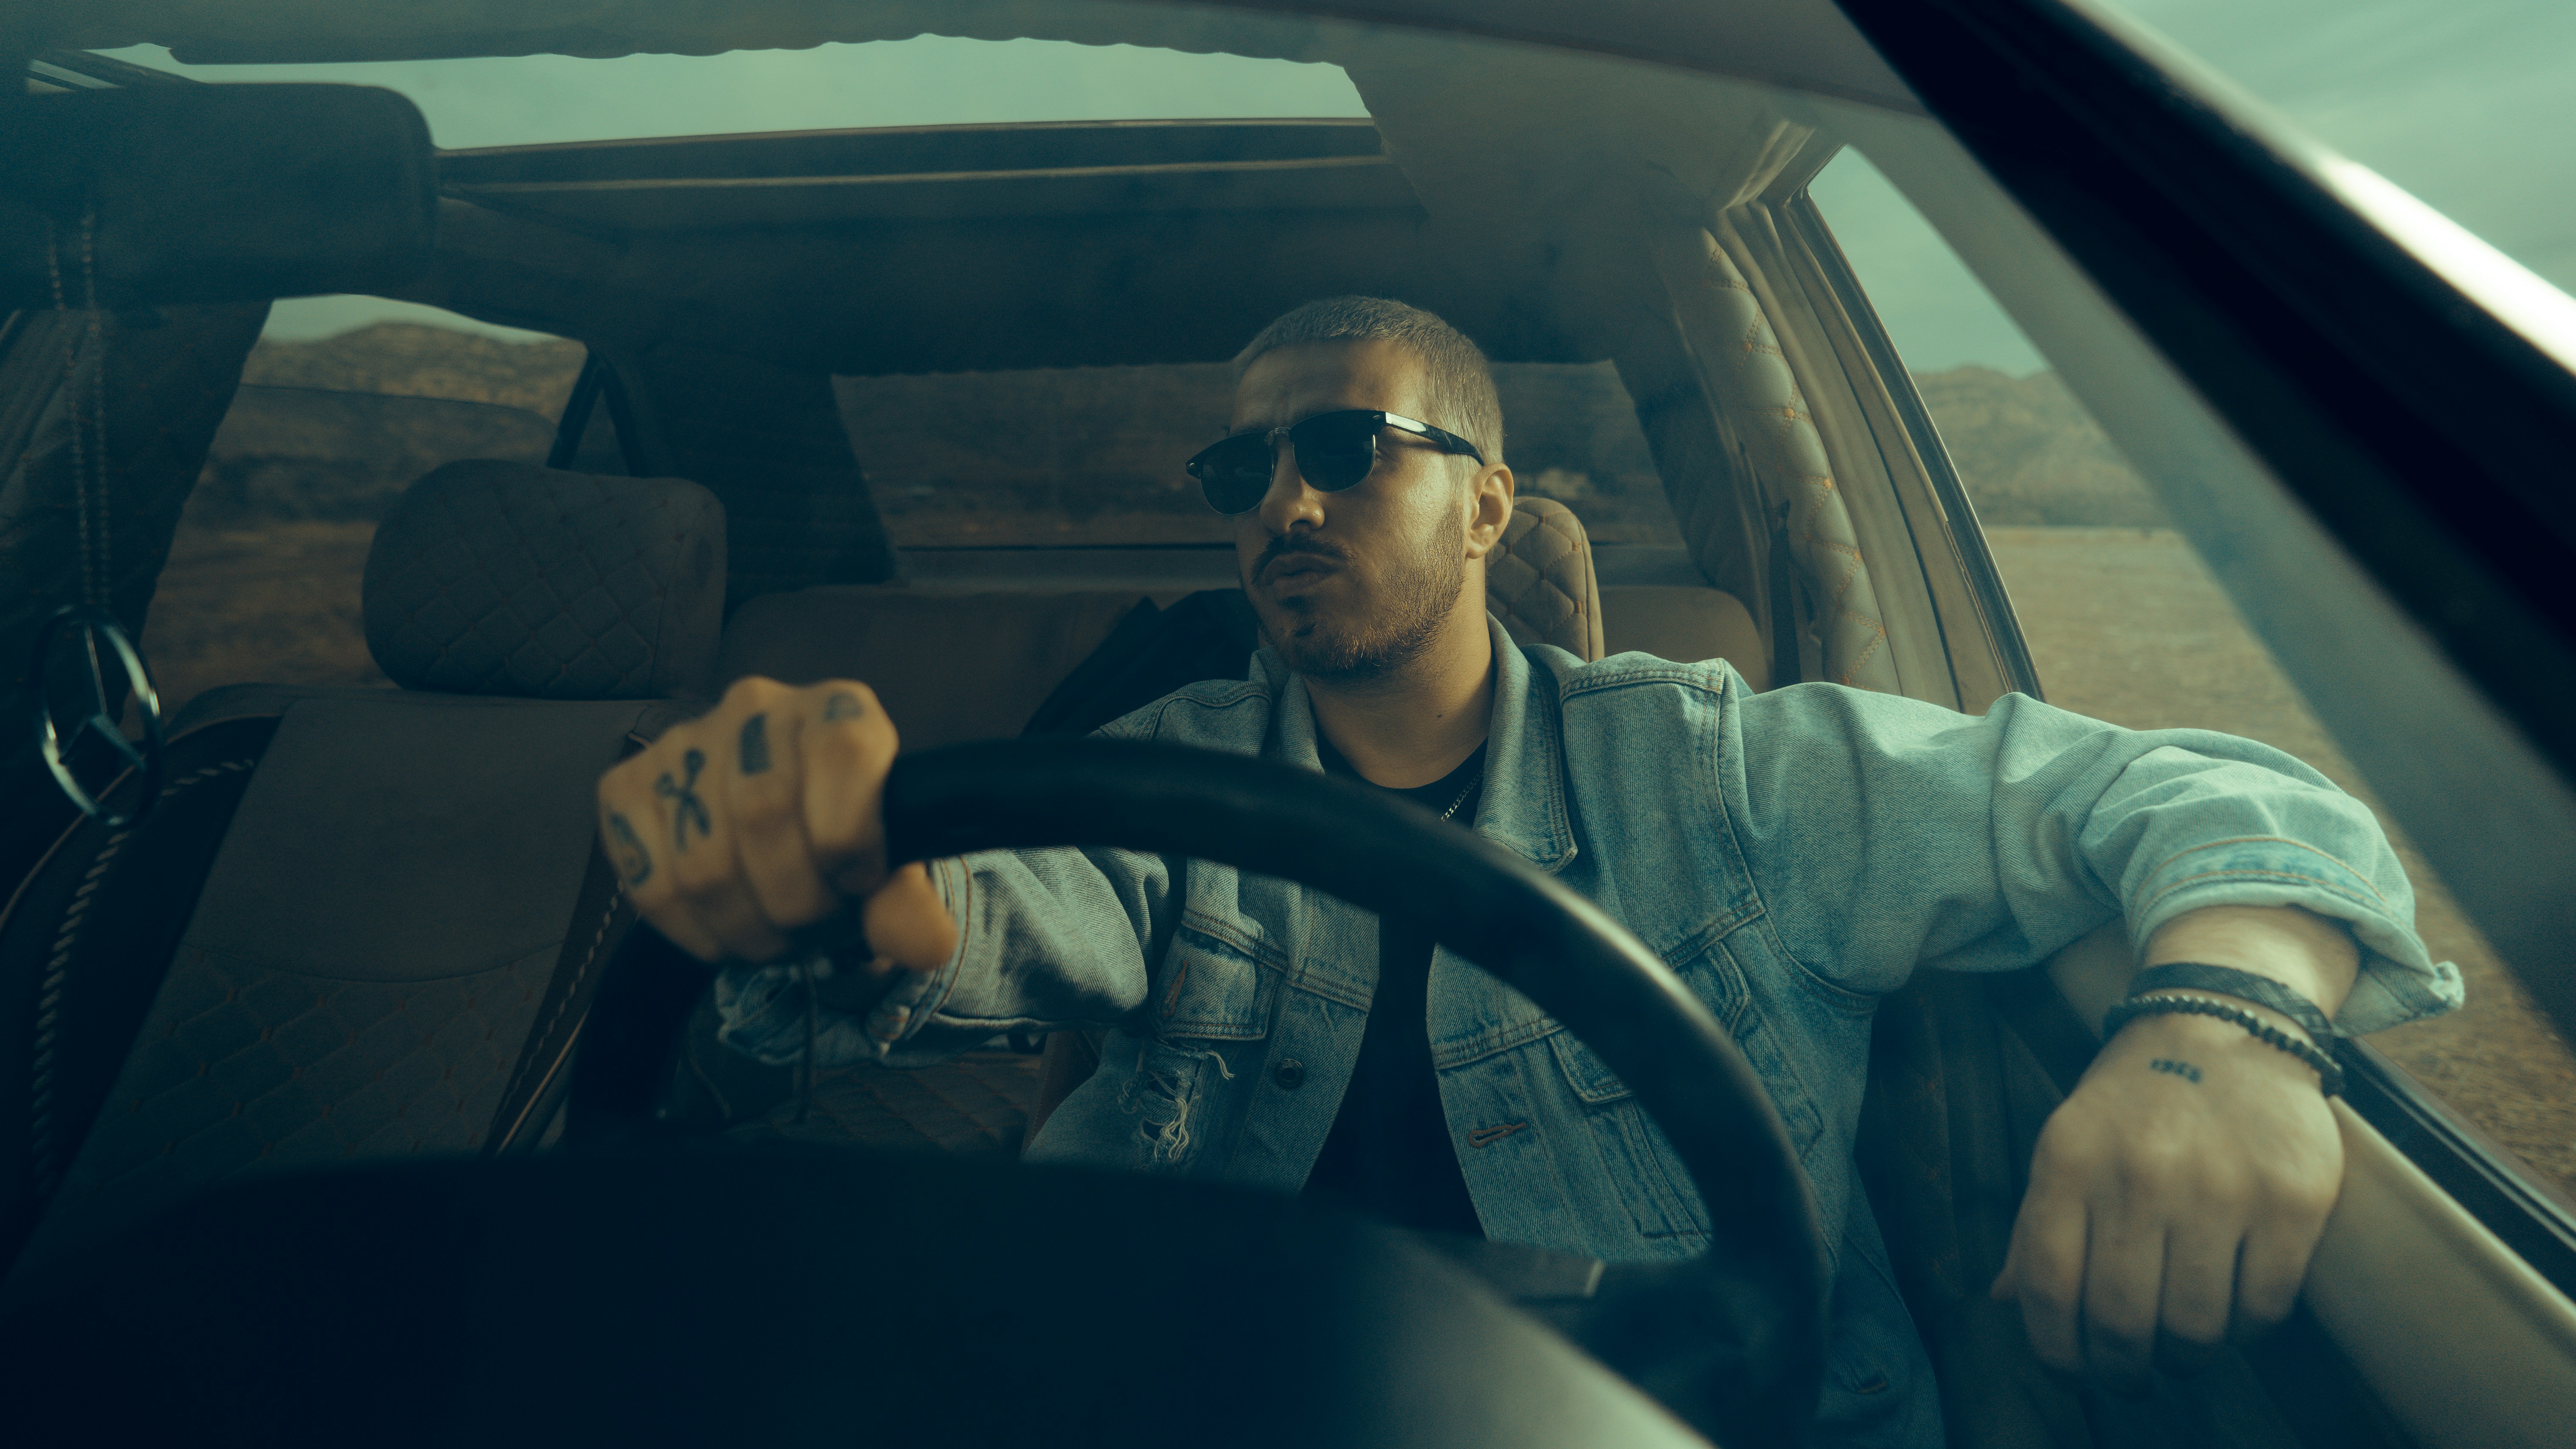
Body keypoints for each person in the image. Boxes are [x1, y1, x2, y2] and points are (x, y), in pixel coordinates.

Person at [595, 297, 2460, 1445]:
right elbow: (1013, 910)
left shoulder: (1720, 764)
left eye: (1342, 447)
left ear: (1490, 504)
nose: (1279, 501)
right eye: (1238, 466)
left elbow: (2199, 786)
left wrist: (2216, 1018)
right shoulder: (1164, 770)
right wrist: (850, 881)